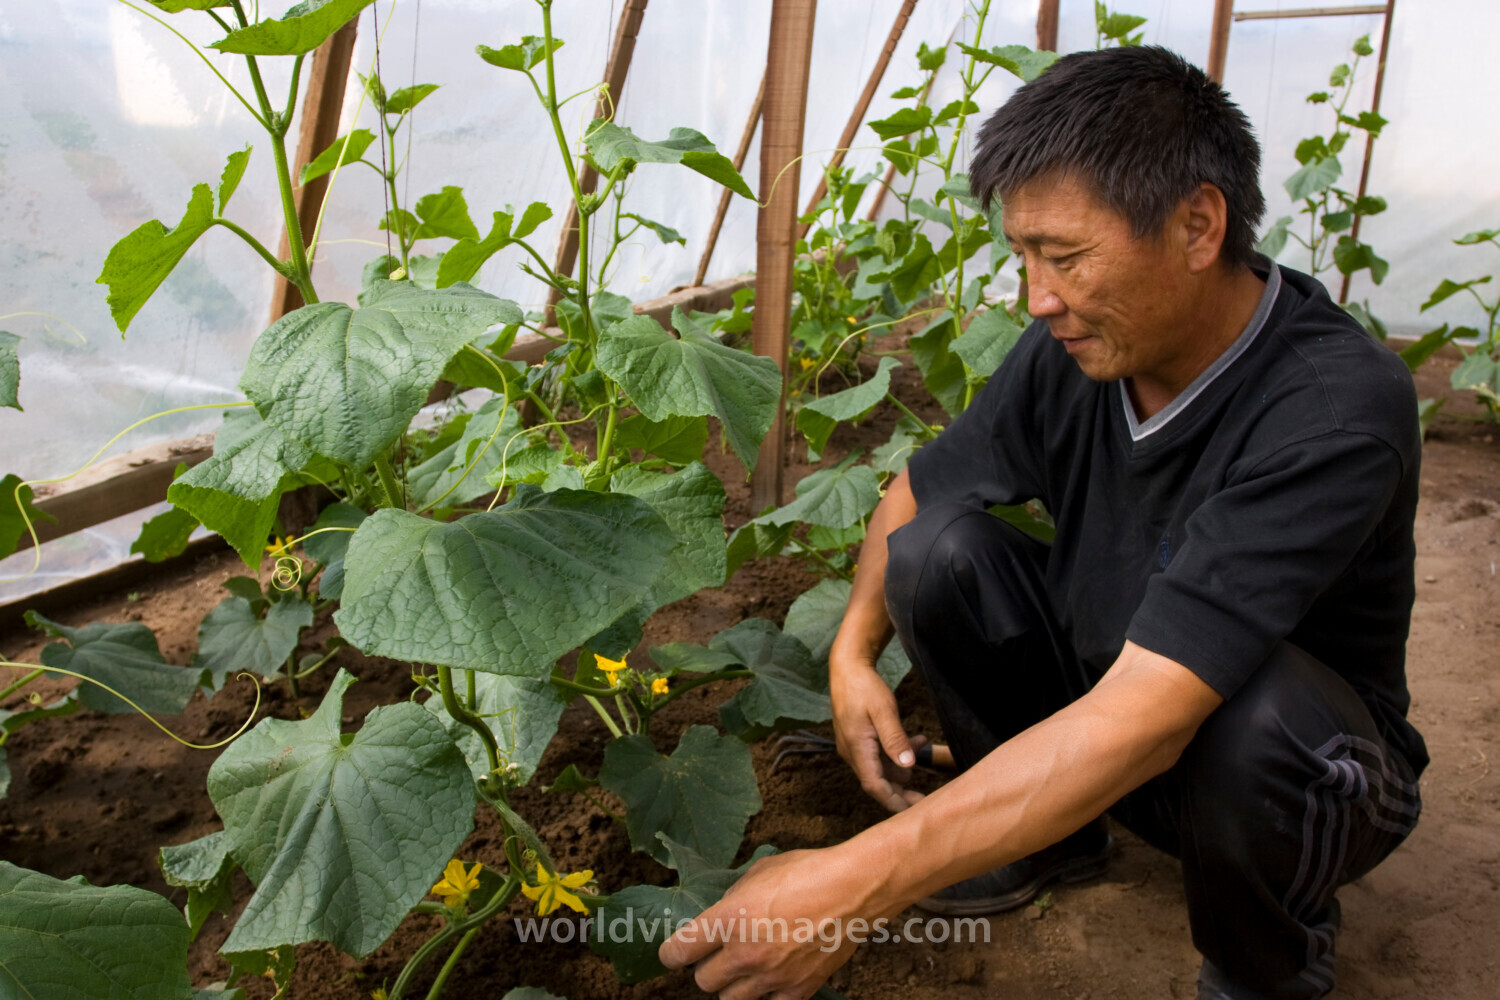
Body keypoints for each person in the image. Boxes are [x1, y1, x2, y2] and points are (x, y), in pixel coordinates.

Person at [660, 44, 1425, 1000]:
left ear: (1197, 225)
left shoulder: (1334, 408)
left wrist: (854, 883)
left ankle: (1264, 962)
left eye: (1064, 256)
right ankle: (1050, 843)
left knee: (1256, 718)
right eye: (1023, 254)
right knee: (936, 552)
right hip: (1124, 723)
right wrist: (852, 652)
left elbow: (1150, 716)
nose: (1039, 296)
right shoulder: (1075, 347)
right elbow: (916, 495)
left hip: (1301, 778)